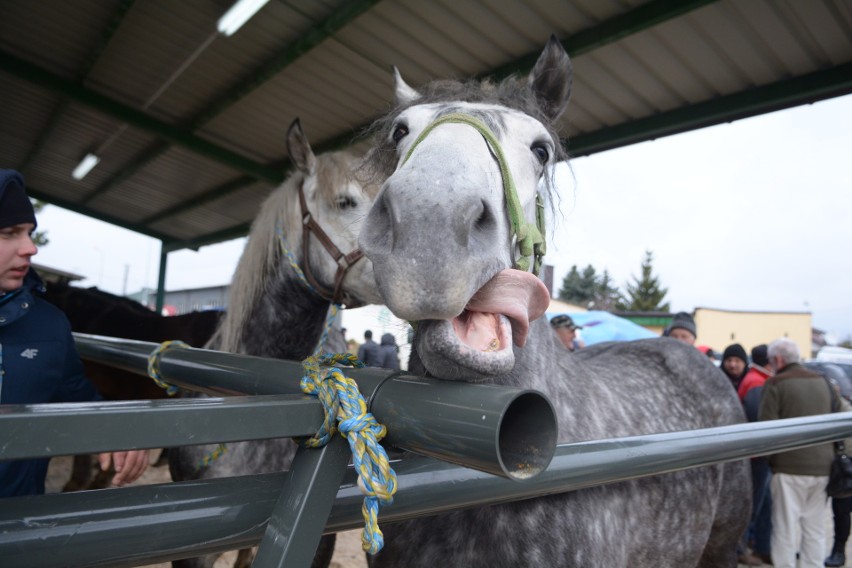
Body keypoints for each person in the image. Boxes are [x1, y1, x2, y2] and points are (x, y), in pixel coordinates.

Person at [0, 169, 150, 498]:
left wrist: (118, 428)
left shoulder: (49, 324)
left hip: (17, 521)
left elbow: (78, 397)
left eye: (29, 233)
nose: (30, 248)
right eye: (10, 233)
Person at [759, 337, 834, 568]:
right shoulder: (824, 382)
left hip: (788, 470)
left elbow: (766, 430)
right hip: (824, 468)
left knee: (785, 530)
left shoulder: (775, 384)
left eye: (771, 361)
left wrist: (772, 461)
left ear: (779, 360)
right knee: (815, 529)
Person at [738, 345, 775, 566]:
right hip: (756, 456)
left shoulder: (756, 379)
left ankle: (762, 547)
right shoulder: (757, 382)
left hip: (757, 456)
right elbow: (757, 420)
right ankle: (742, 549)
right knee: (753, 503)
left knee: (763, 503)